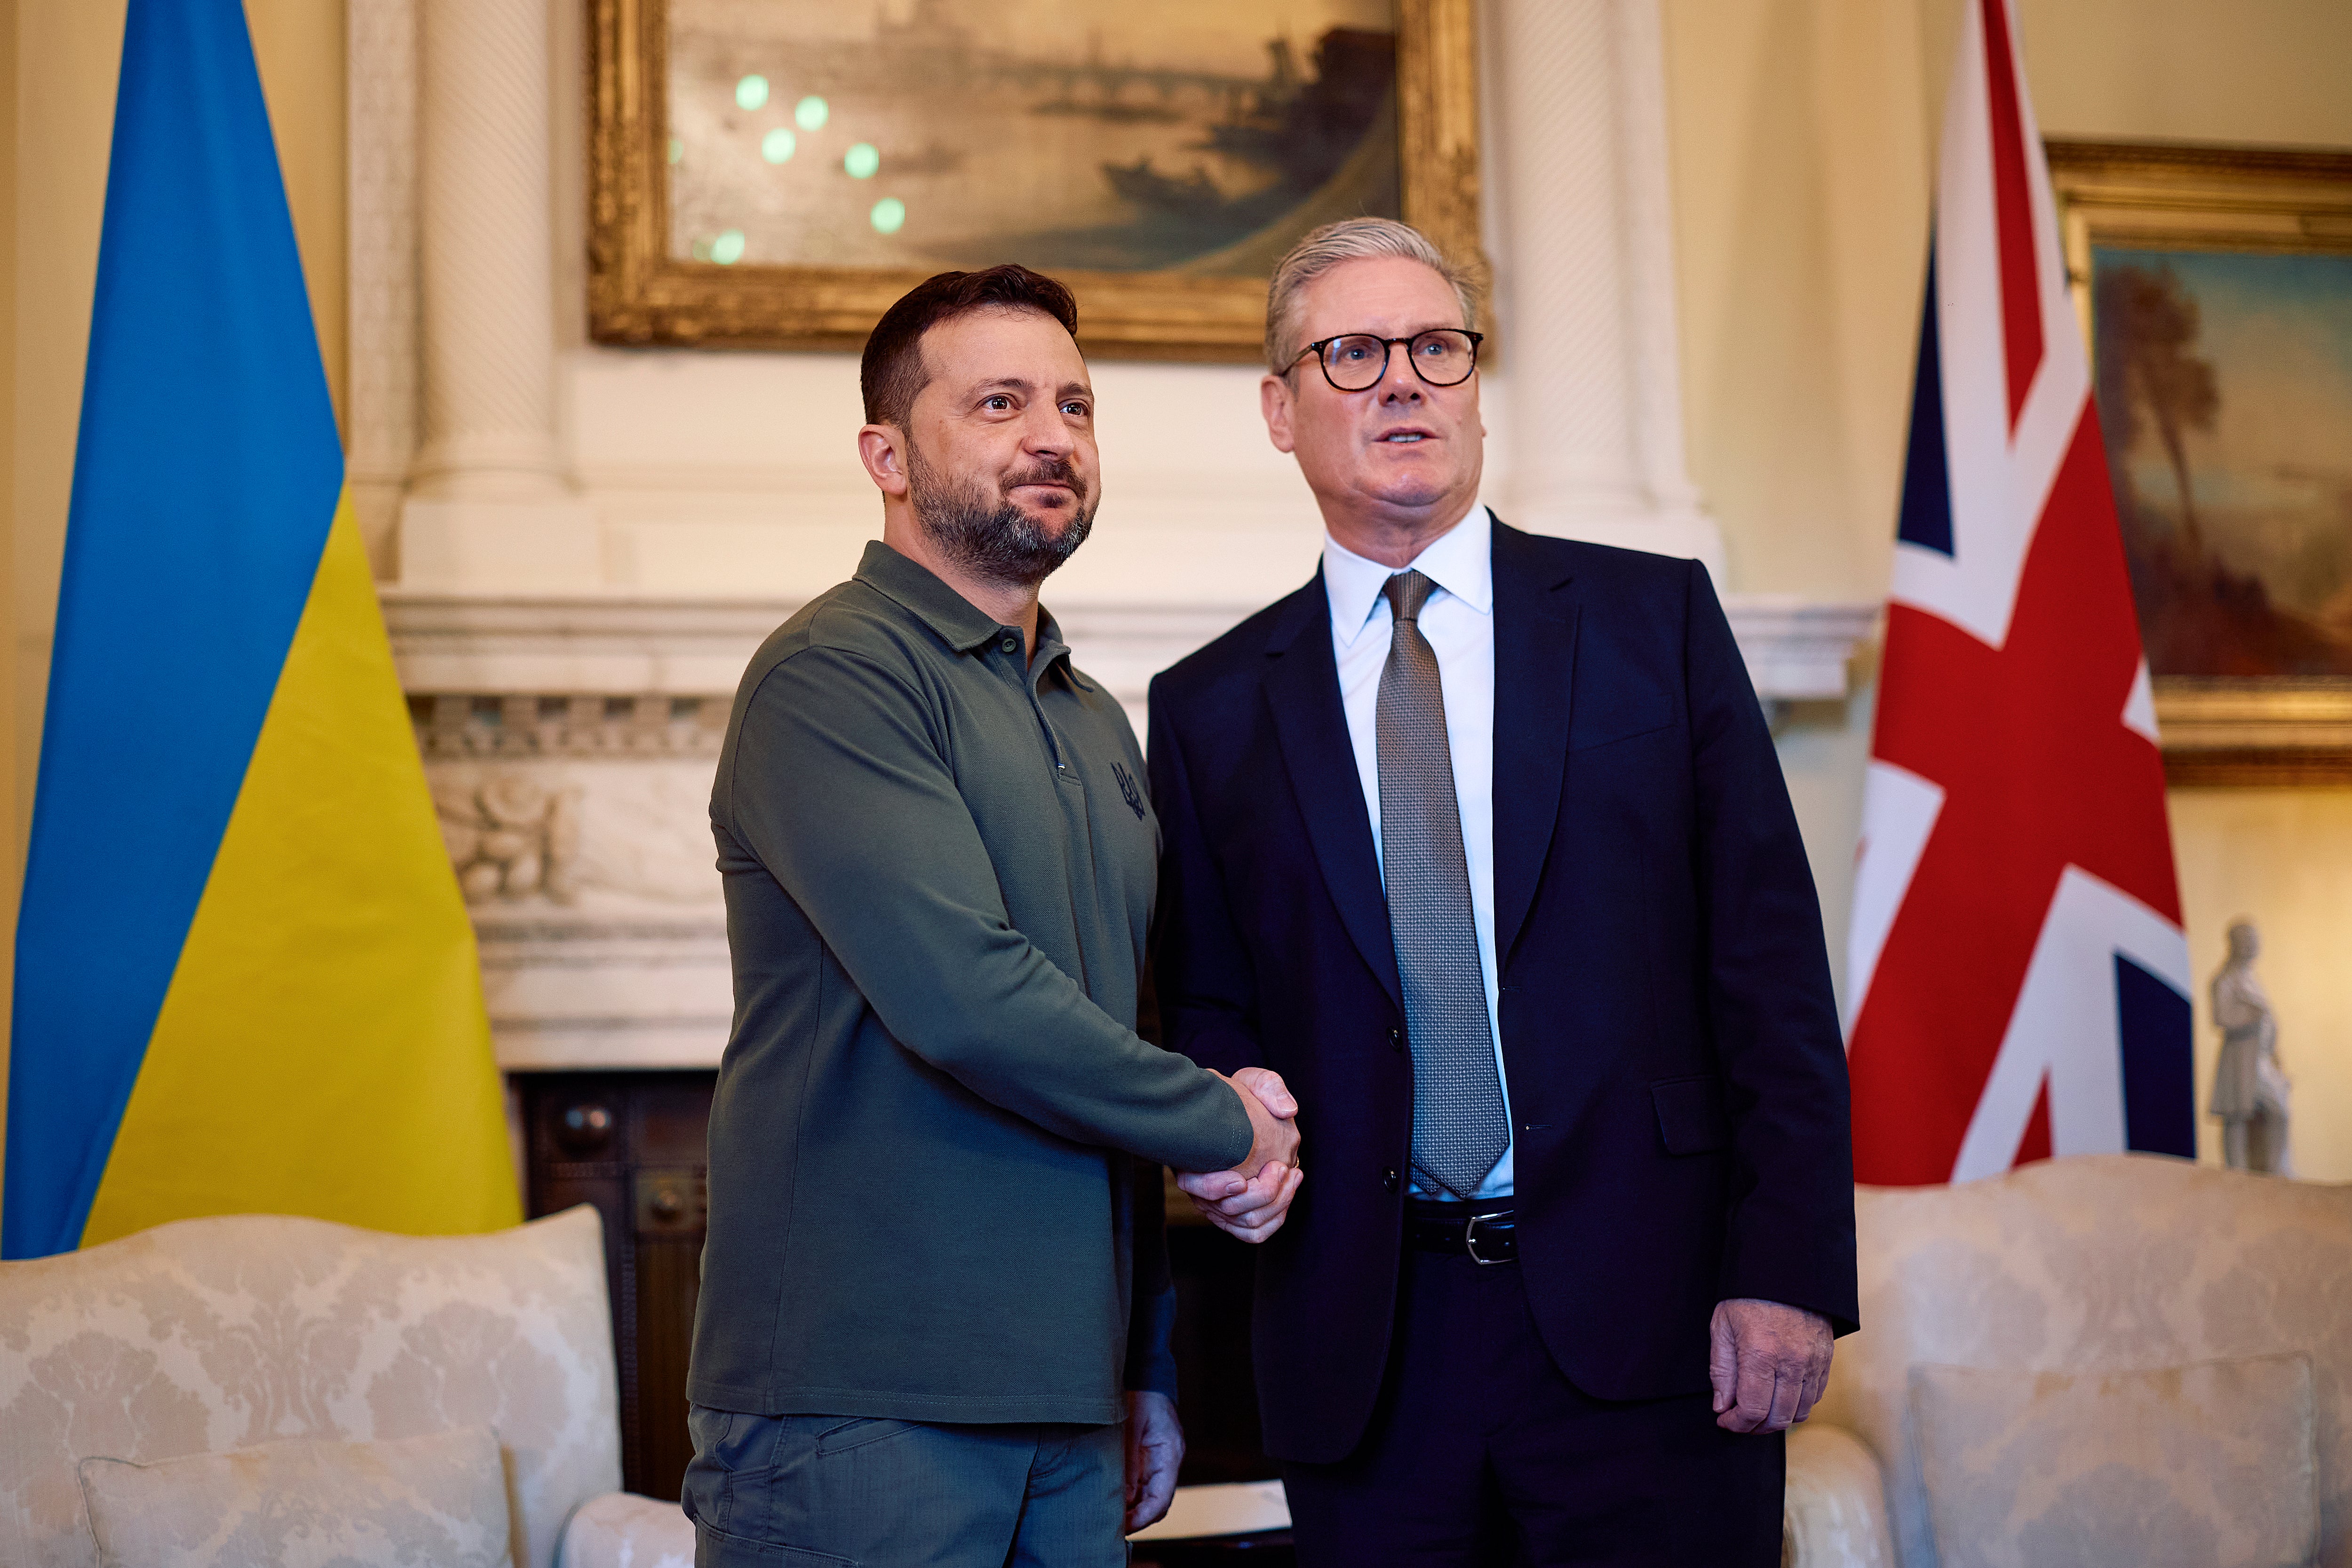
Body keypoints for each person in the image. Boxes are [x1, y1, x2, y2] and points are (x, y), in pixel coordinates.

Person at [1148, 219, 1858, 1565]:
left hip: (1658, 1327)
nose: (1404, 381)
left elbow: (1769, 971)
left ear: (1477, 389)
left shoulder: (1656, 625)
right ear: (1278, 410)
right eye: (1351, 354)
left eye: (1437, 347)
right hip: (1367, 1349)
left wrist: (1787, 1271)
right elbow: (1208, 998)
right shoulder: (1210, 709)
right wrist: (1228, 1103)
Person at [685, 264, 1303, 1568]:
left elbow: (1112, 1038)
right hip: (860, 1403)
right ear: (887, 454)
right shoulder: (833, 673)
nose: (1051, 439)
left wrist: (1143, 1365)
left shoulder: (1088, 715)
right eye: (1000, 403)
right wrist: (1230, 1122)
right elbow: (968, 996)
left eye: (1075, 407)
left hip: (1070, 1404)